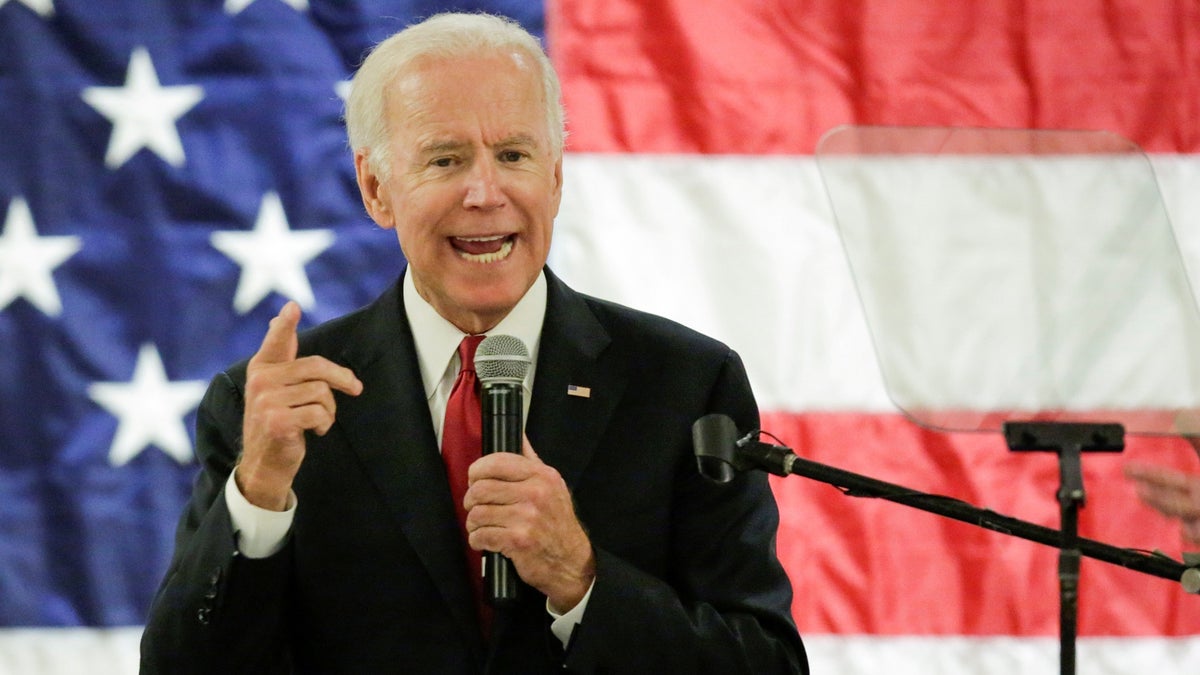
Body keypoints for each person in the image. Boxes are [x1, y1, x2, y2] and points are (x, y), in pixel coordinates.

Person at [139, 11, 806, 674]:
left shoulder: (684, 384)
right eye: (446, 158)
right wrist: (258, 491)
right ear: (377, 188)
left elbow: (768, 664)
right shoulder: (276, 412)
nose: (485, 192)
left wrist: (581, 578)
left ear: (555, 175)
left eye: (513, 155)